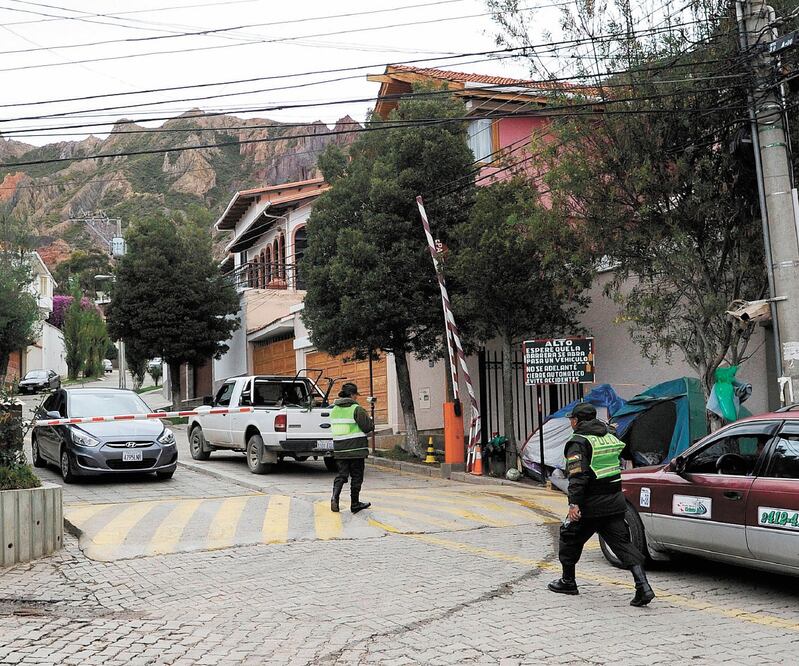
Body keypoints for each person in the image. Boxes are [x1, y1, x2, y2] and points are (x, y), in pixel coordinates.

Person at [547, 402, 655, 607]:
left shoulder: (578, 442)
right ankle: (643, 586)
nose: (570, 422)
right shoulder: (609, 435)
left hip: (590, 505)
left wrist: (574, 504)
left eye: (571, 419)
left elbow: (578, 476)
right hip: (614, 502)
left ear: (577, 421)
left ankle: (568, 581)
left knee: (569, 536)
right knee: (622, 543)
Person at [330, 382, 374, 514]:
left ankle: (334, 498)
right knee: (356, 476)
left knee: (342, 475)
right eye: (355, 395)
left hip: (340, 450)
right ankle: (355, 504)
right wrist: (370, 420)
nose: (356, 397)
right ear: (351, 395)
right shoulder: (356, 409)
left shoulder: (334, 410)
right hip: (356, 449)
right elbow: (367, 427)